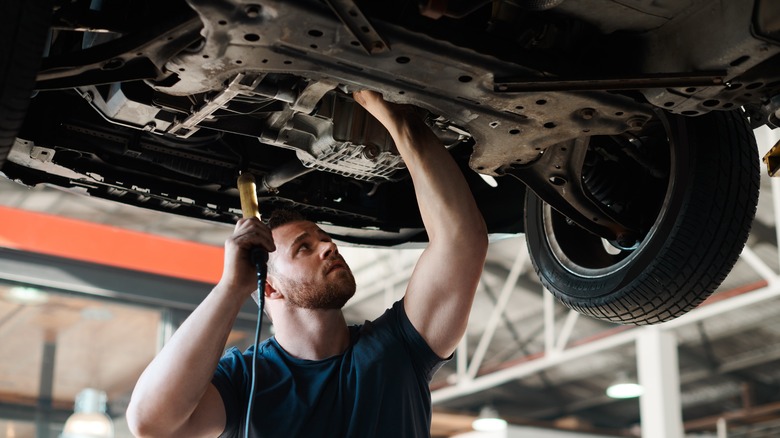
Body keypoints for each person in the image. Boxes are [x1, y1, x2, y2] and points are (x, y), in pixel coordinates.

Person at [126, 90, 488, 437]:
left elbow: (462, 241)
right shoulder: (245, 382)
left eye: (324, 239)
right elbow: (151, 423)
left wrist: (400, 122)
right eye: (304, 247)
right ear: (269, 286)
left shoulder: (397, 350)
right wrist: (231, 287)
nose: (329, 246)